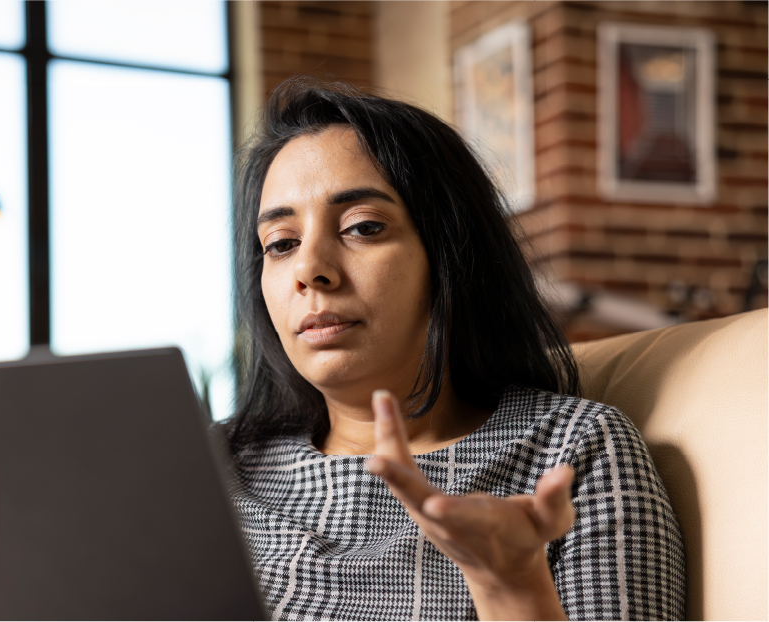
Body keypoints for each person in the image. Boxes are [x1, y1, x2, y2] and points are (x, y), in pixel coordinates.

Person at [215, 77, 685, 621]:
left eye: (363, 227)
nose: (309, 270)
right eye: (281, 243)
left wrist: (513, 590)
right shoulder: (215, 467)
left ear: (450, 258)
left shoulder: (571, 450)